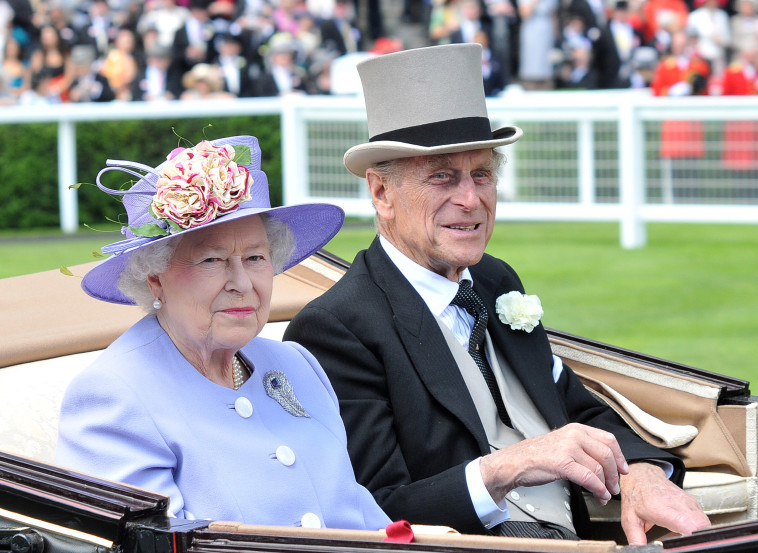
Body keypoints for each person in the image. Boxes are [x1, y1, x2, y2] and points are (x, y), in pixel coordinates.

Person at [283, 44, 711, 544]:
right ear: (381, 194)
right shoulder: (338, 326)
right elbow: (375, 508)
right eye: (442, 176)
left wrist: (642, 474)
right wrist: (508, 467)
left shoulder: (495, 281)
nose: (471, 199)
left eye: (481, 174)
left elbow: (578, 408)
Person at [55, 135, 392, 531]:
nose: (242, 282)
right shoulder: (113, 395)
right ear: (155, 279)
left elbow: (358, 514)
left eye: (255, 257)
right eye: (212, 260)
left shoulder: (297, 364)